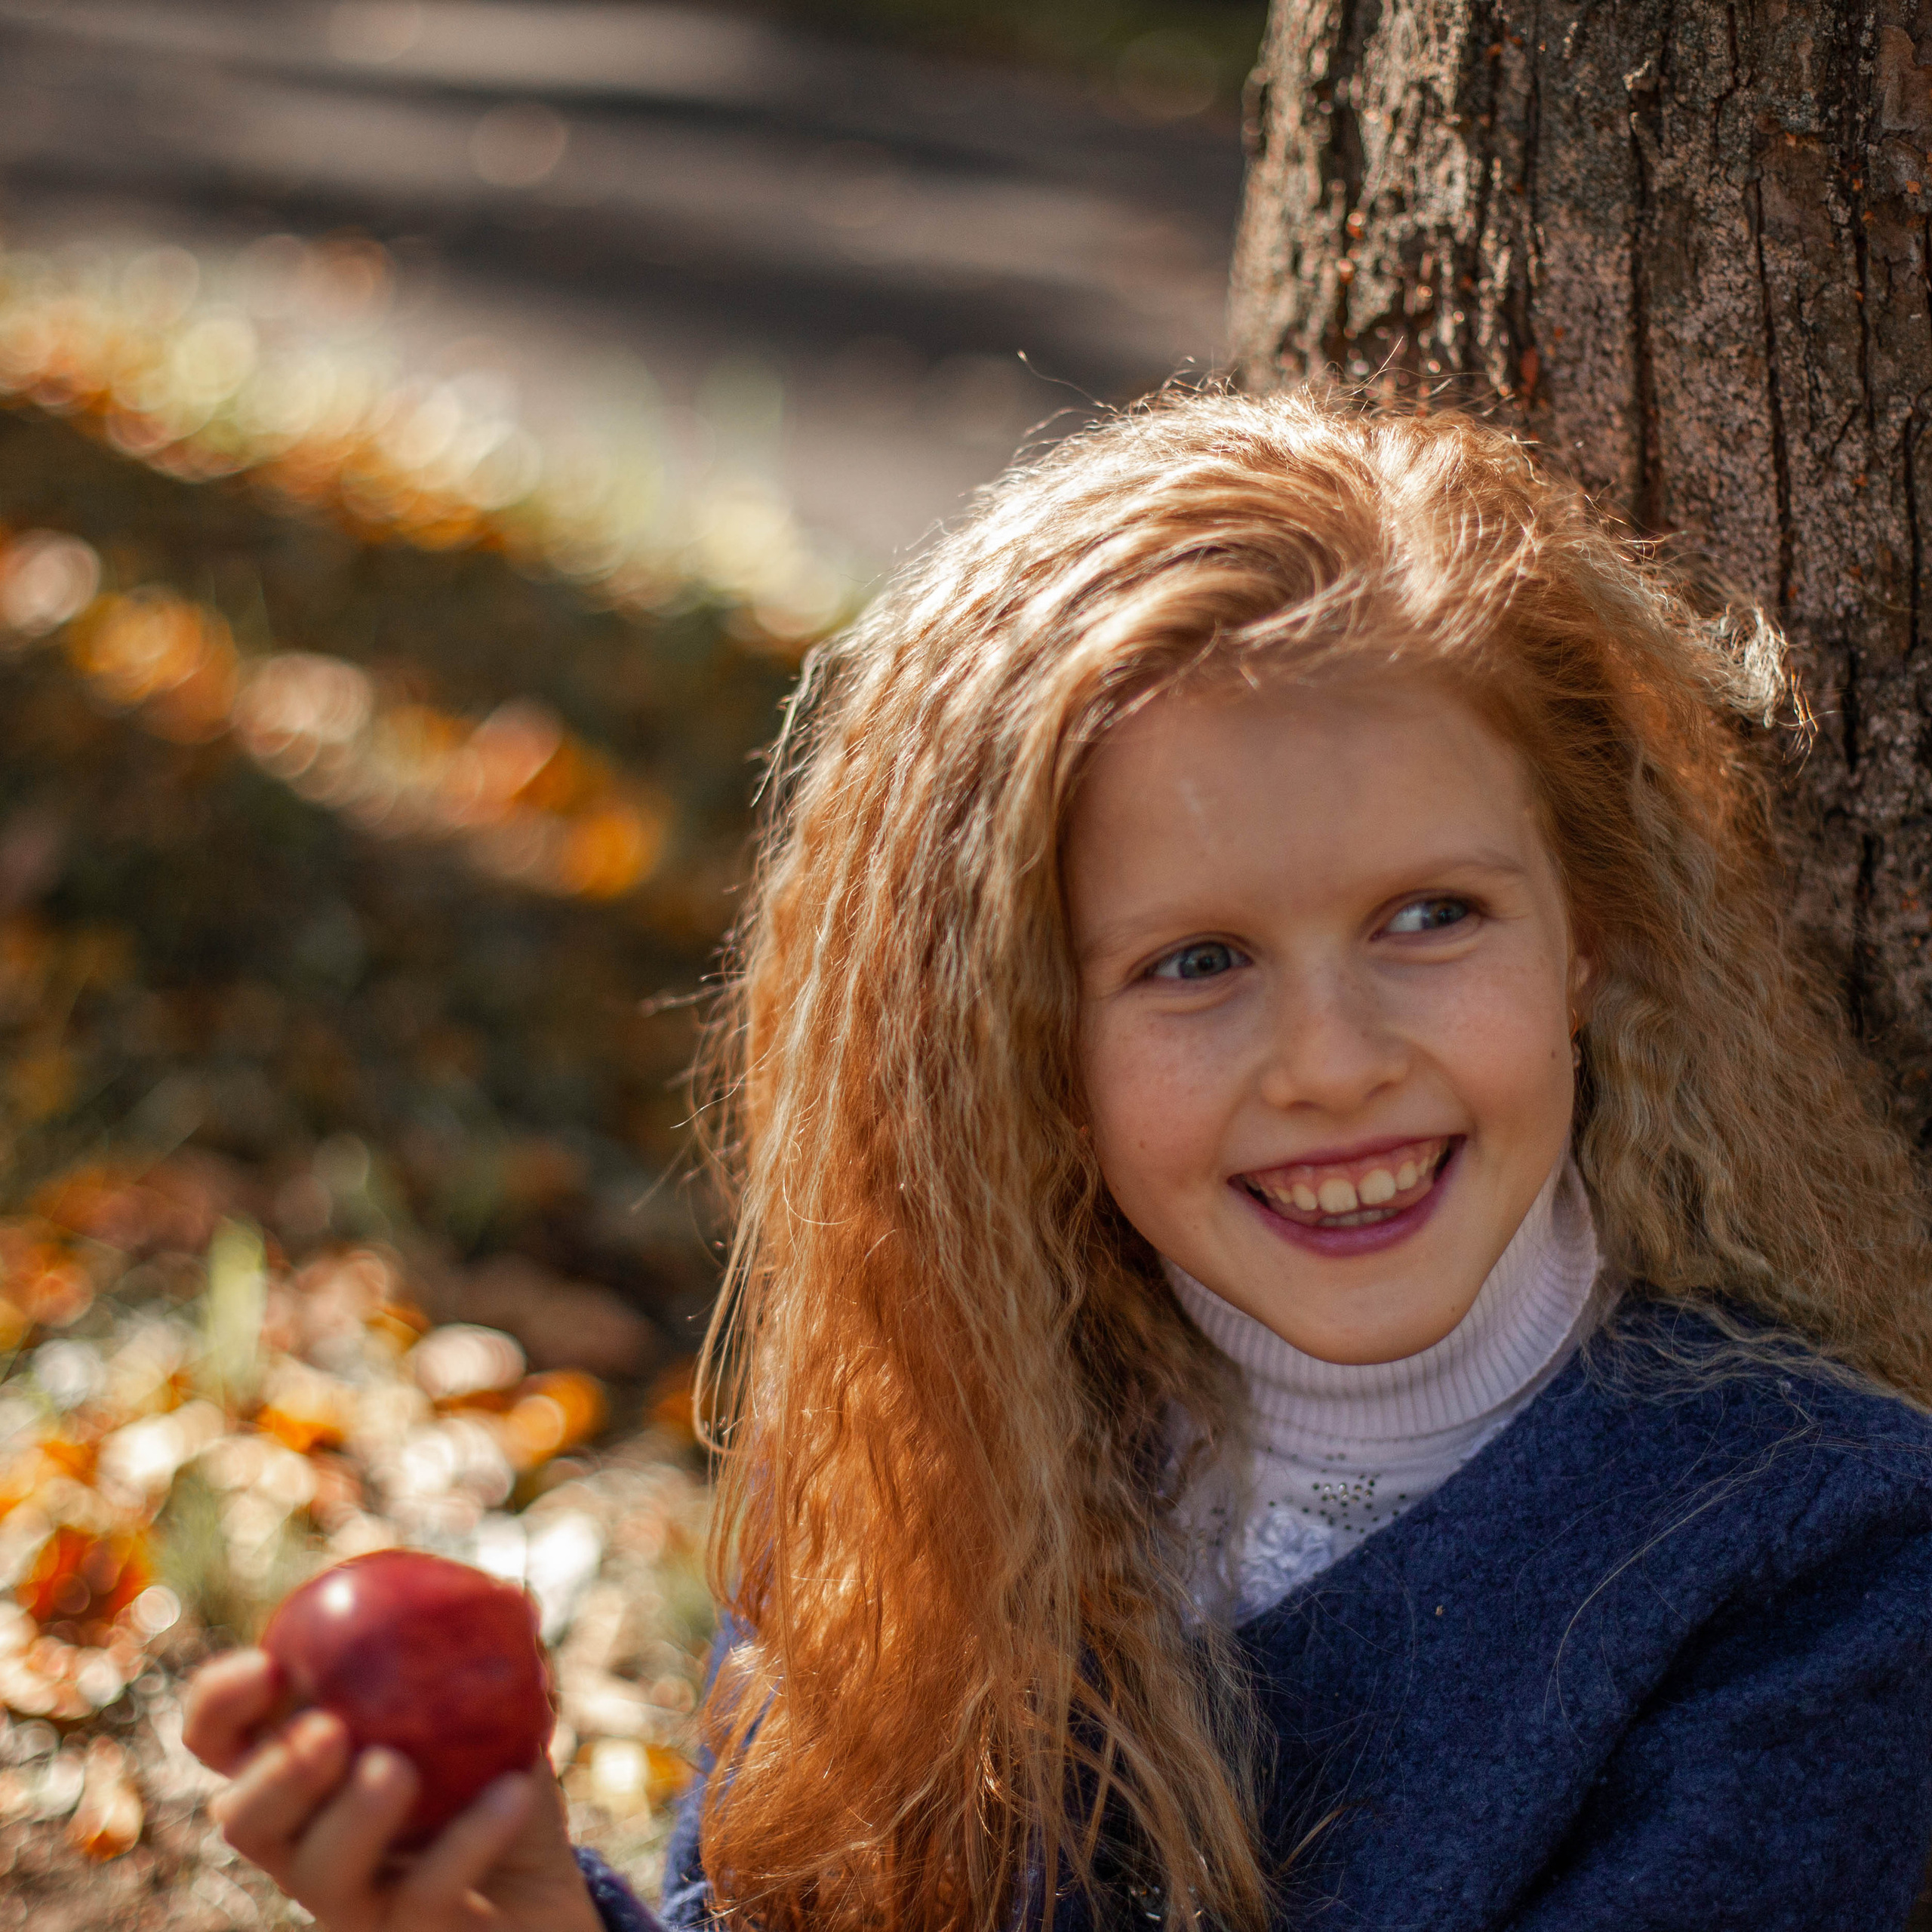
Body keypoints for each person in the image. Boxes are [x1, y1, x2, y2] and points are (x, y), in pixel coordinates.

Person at [183, 389, 1932, 1930]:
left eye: (1428, 915)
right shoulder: (929, 1463)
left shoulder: (1813, 1559)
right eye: (1193, 961)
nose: (1330, 1062)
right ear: (1017, 1037)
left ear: (1590, 938)